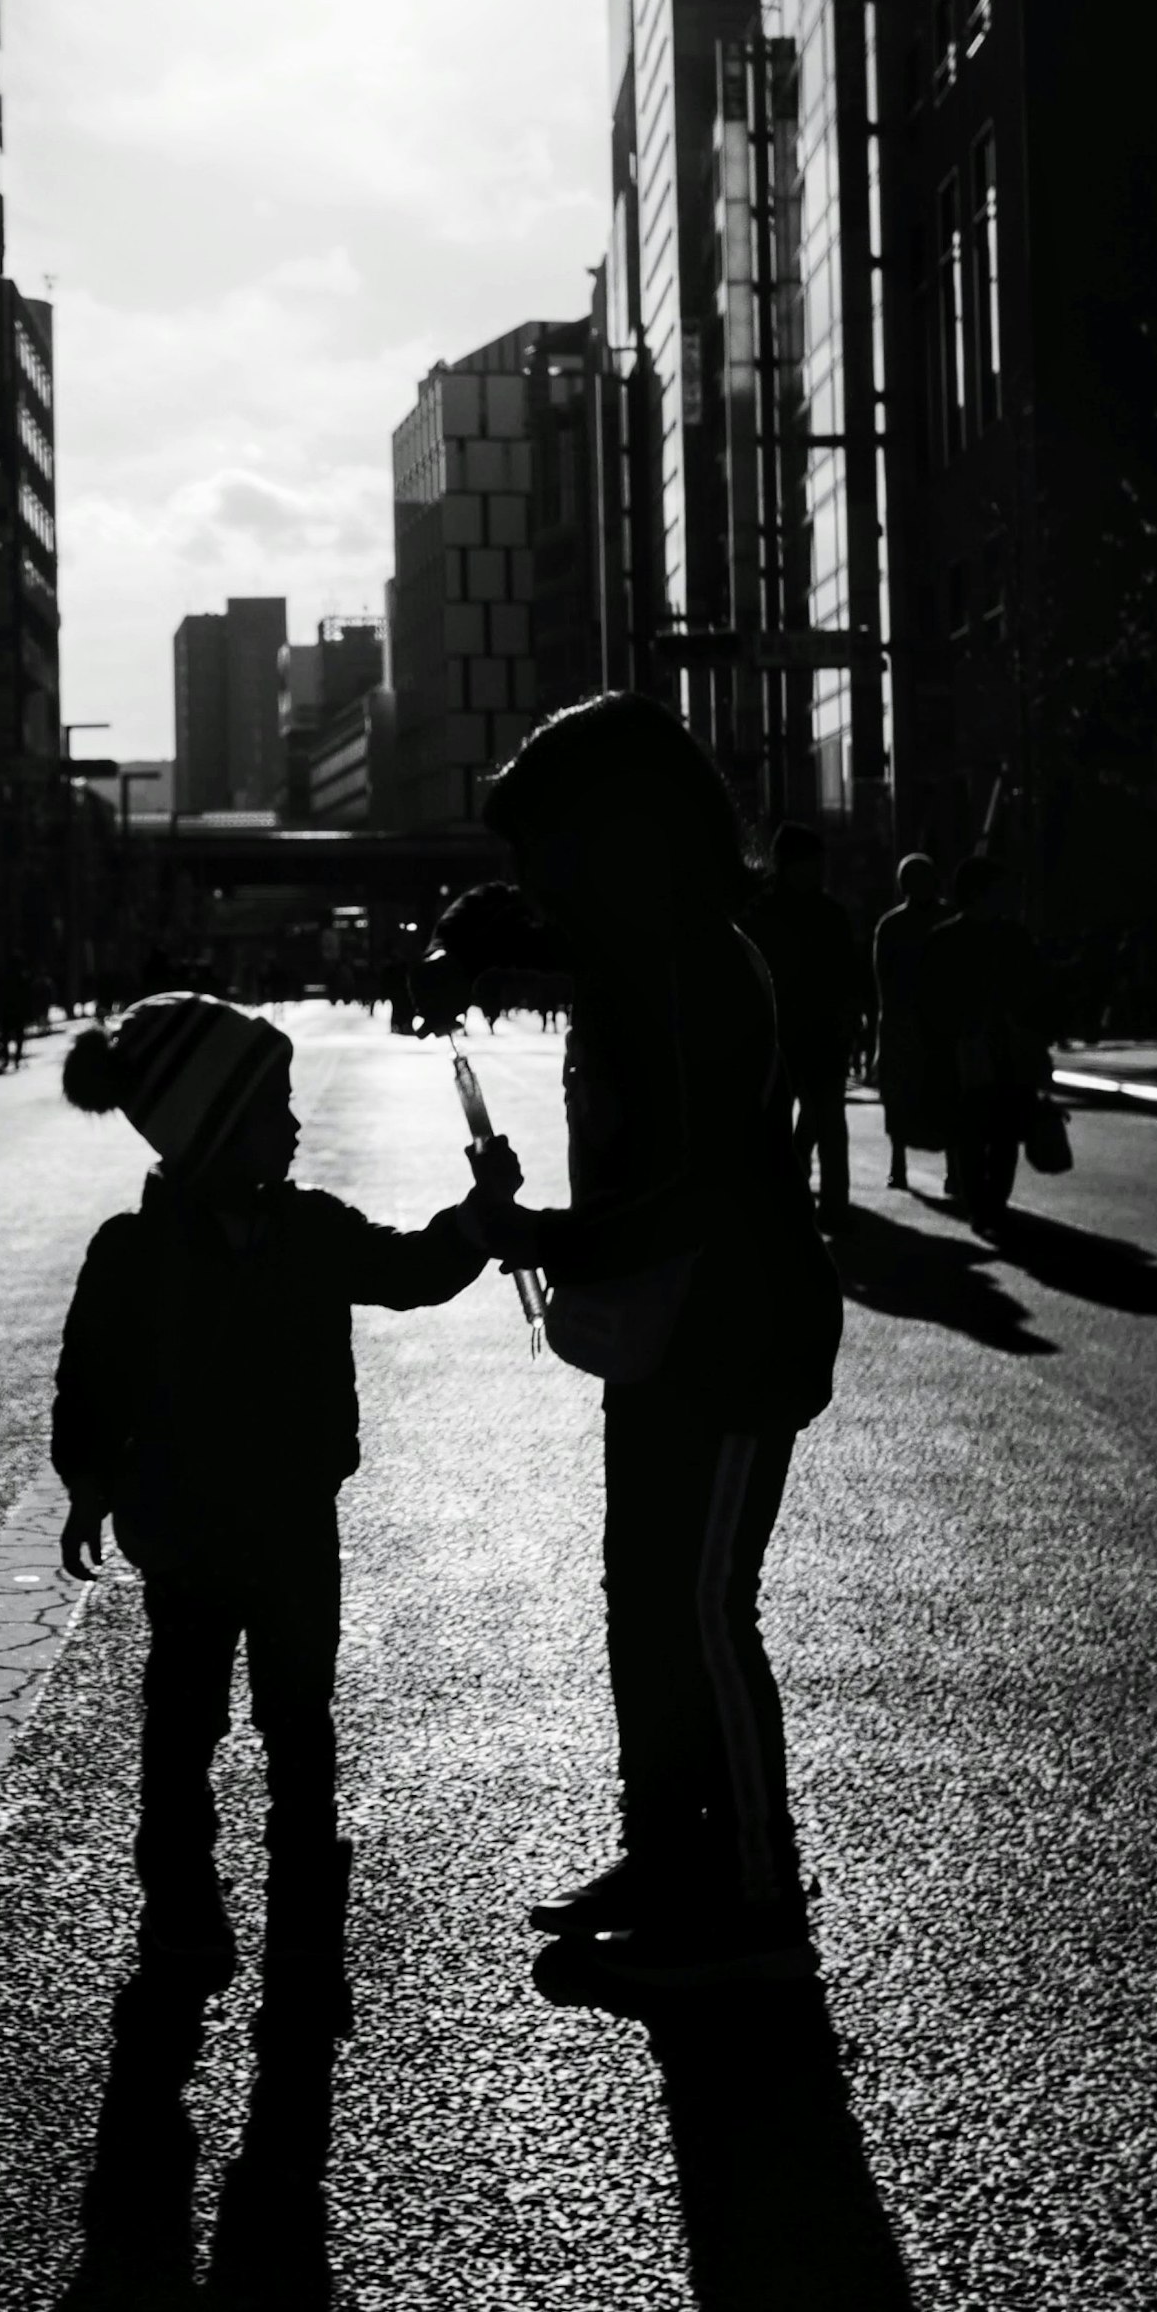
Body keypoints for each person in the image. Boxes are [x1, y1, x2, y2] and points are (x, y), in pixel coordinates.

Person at [445, 694, 846, 1994]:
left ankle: (757, 1891)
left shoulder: (698, 970)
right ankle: (665, 1849)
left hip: (737, 1329)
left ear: (619, 840)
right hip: (667, 1333)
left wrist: (559, 1241)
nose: (531, 881)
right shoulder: (638, 958)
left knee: (704, 1607)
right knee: (642, 1602)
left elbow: (718, 1186)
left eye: (543, 850)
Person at [56, 994, 512, 1985]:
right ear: (216, 1128)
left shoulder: (285, 1230)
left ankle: (278, 1916)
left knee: (278, 1726)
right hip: (227, 1529)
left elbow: (410, 1268)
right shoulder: (153, 1253)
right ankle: (210, 1910)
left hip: (247, 1523)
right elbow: (91, 1381)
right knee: (214, 1732)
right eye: (275, 1108)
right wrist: (85, 1478)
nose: (294, 1126)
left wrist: (479, 1223)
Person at [742, 823, 869, 1223]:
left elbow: (850, 972)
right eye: (810, 863)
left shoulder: (777, 912)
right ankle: (804, 1197)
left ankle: (829, 1202)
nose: (817, 871)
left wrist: (851, 1017)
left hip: (813, 1033)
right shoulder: (770, 912)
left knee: (825, 1120)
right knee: (806, 1121)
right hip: (783, 1035)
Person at [931, 857, 1041, 1223]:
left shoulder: (948, 938)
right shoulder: (1010, 937)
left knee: (996, 1129)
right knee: (978, 1130)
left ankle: (988, 1203)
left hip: (998, 1045)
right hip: (972, 1047)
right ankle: (985, 1202)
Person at [870, 855, 944, 1192]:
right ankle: (902, 1164)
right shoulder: (894, 925)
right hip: (909, 1023)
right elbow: (882, 983)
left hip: (925, 1023)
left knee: (935, 1095)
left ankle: (910, 1166)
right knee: (907, 1097)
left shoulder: (893, 925)